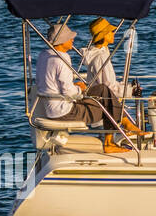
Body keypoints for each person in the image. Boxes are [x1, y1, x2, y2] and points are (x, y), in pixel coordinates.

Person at [35, 22, 143, 153]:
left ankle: (124, 126)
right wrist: (80, 89)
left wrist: (77, 86)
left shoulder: (44, 55)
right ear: (62, 40)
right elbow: (70, 92)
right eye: (69, 37)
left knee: (103, 90)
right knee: (108, 105)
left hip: (53, 106)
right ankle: (111, 141)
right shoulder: (61, 59)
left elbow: (54, 83)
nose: (72, 39)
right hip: (64, 112)